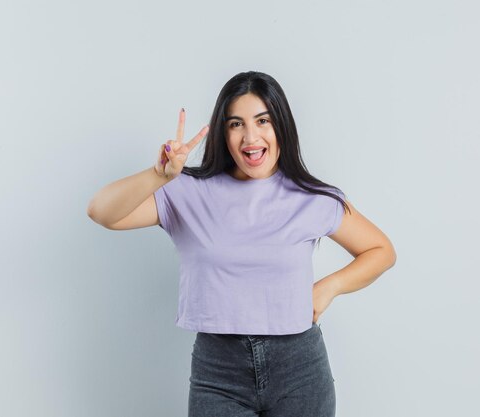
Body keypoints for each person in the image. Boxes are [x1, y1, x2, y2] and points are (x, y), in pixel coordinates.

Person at [87, 71, 396, 417]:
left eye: (262, 120)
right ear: (223, 132)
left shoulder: (313, 198)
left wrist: (329, 287)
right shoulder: (187, 191)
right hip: (218, 372)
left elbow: (381, 251)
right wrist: (158, 176)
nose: (251, 137)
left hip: (300, 369)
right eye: (236, 124)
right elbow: (102, 212)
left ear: (281, 125)